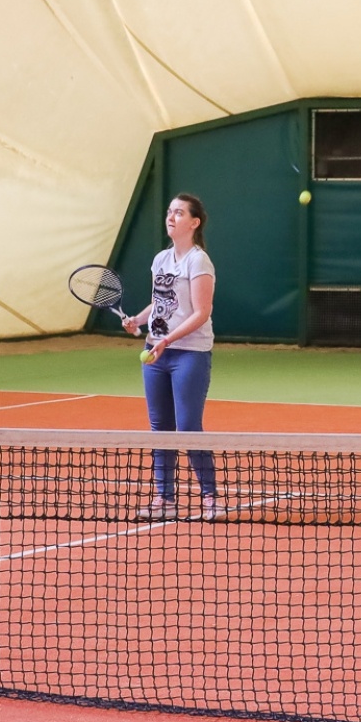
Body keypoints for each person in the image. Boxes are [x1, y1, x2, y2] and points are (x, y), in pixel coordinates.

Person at [123, 194, 218, 521]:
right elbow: (160, 304)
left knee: (188, 426)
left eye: (179, 213)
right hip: (156, 353)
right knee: (160, 428)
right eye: (169, 212)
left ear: (194, 222)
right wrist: (138, 320)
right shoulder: (160, 259)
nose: (171, 217)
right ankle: (165, 499)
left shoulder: (198, 261)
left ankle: (210, 498)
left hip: (189, 353)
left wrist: (169, 340)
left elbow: (202, 312)